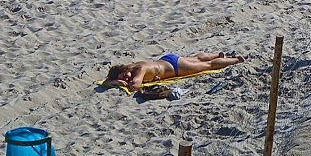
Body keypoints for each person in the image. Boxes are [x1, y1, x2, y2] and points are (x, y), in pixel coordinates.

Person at [102, 52, 244, 92]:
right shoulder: (131, 67)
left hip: (174, 67)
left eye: (124, 76)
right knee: (197, 59)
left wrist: (118, 82)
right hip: (168, 60)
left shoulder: (139, 69)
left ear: (123, 70)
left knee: (208, 65)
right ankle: (217, 55)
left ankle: (235, 60)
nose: (126, 78)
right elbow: (106, 80)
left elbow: (134, 86)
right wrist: (114, 80)